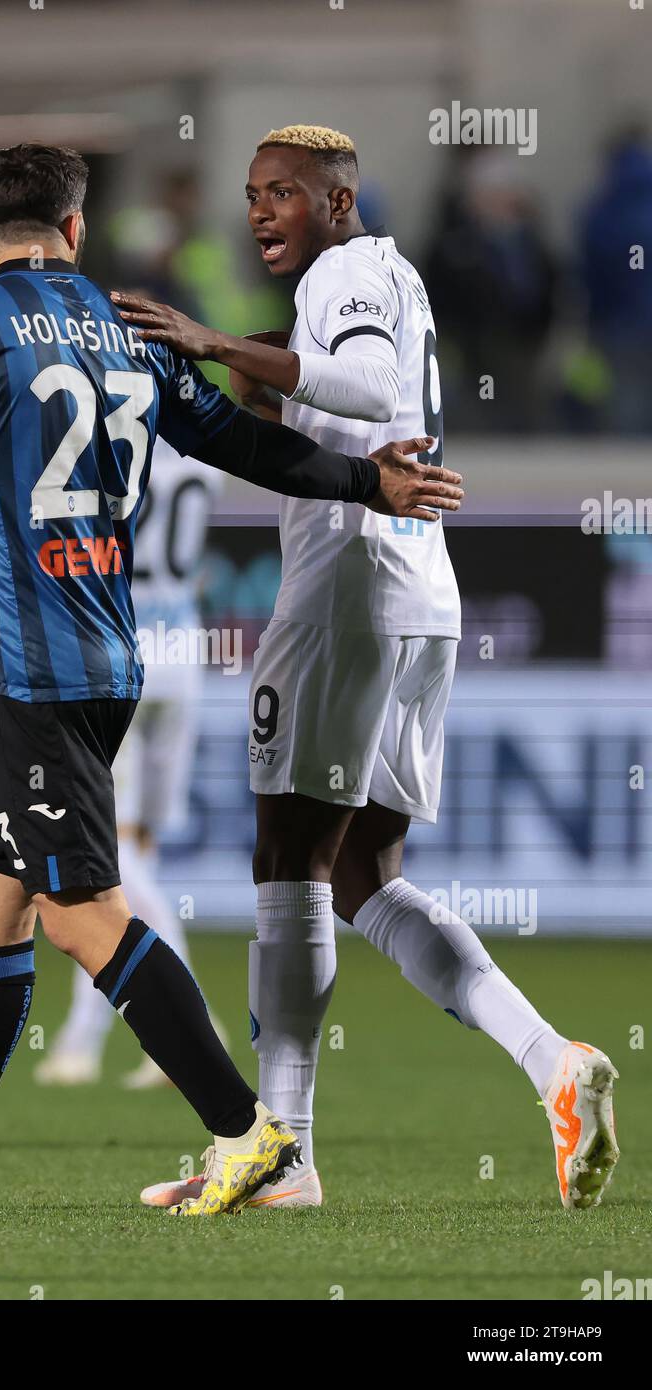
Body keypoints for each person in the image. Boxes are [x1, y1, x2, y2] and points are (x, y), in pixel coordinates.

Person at [0, 142, 454, 1218]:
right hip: (107, 660)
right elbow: (238, 445)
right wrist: (369, 480)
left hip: (27, 669)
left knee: (84, 915)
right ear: (76, 232)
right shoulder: (130, 327)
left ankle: (248, 1135)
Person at [116, 125, 618, 1214]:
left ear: (338, 201)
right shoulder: (385, 272)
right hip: (416, 592)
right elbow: (328, 379)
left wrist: (209, 338)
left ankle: (280, 1152)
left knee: (285, 857)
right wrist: (211, 356)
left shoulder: (344, 272)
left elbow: (360, 384)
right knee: (360, 877)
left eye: (284, 194)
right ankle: (553, 1064)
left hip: (348, 587)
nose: (259, 213)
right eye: (252, 194)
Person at [37, 436, 228, 1089]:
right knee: (128, 857)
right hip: (186, 652)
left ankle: (186, 1022)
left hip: (122, 655)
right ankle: (82, 1041)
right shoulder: (202, 460)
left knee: (108, 859)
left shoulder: (113, 442)